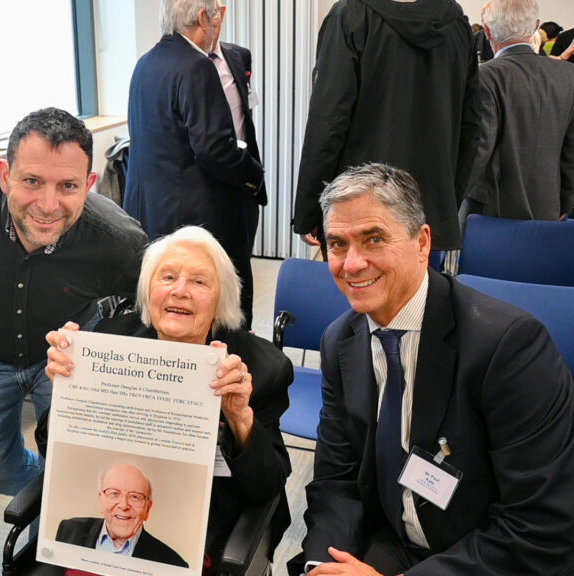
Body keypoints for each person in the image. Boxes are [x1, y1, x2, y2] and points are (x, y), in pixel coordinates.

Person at [292, 164, 574, 575]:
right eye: (337, 244)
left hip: (483, 556)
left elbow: (540, 528)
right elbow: (339, 480)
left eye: (374, 239)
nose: (352, 264)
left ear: (422, 243)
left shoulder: (508, 348)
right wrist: (323, 564)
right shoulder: (342, 342)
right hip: (396, 539)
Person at [0, 108, 148, 496]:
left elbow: (160, 304)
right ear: (4, 175)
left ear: (89, 184)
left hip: (69, 359)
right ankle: (46, 498)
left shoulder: (117, 239)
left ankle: (53, 513)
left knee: (71, 468)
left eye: (67, 186)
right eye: (31, 181)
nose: (48, 205)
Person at [45, 225, 293, 568]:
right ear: (148, 291)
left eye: (199, 282)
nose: (180, 291)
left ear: (222, 300)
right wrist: (66, 391)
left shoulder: (262, 369)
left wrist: (239, 417)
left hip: (204, 529)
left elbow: (268, 488)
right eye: (168, 277)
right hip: (107, 537)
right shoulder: (110, 341)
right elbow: (51, 448)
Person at [293, 0, 480, 252]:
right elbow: (471, 129)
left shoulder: (350, 17)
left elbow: (328, 122)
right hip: (430, 215)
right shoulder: (457, 23)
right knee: (422, 291)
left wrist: (309, 210)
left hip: (360, 211)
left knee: (359, 289)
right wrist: (448, 203)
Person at [125, 0, 265, 329]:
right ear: (204, 18)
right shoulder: (197, 66)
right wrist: (253, 176)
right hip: (202, 219)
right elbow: (214, 148)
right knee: (222, 312)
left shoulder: (145, 63)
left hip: (153, 214)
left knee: (167, 307)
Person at [464, 0, 574, 222]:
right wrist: (565, 201)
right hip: (549, 209)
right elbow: (571, 150)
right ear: (536, 26)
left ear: (487, 31)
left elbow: (478, 151)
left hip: (489, 213)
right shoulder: (568, 75)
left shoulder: (484, 77)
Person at [55, 463, 189, 568]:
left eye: (135, 497)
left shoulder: (172, 563)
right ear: (101, 500)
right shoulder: (69, 530)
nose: (124, 505)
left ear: (147, 509)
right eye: (114, 493)